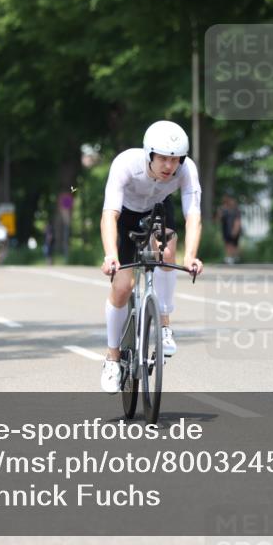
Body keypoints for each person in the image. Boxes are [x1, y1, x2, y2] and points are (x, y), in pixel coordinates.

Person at [99, 120, 204, 394]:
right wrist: (111, 255)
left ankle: (164, 325)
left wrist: (190, 257)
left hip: (158, 209)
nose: (169, 166)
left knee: (167, 252)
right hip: (126, 214)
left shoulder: (186, 170)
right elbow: (109, 215)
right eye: (163, 159)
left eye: (175, 159)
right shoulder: (126, 164)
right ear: (149, 154)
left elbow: (193, 215)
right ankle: (112, 358)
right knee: (123, 287)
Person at [217, 193, 242, 264]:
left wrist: (235, 230)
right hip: (226, 229)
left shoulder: (236, 210)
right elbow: (219, 219)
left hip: (233, 229)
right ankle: (229, 257)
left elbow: (238, 221)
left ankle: (234, 257)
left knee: (234, 244)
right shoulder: (223, 209)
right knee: (227, 243)